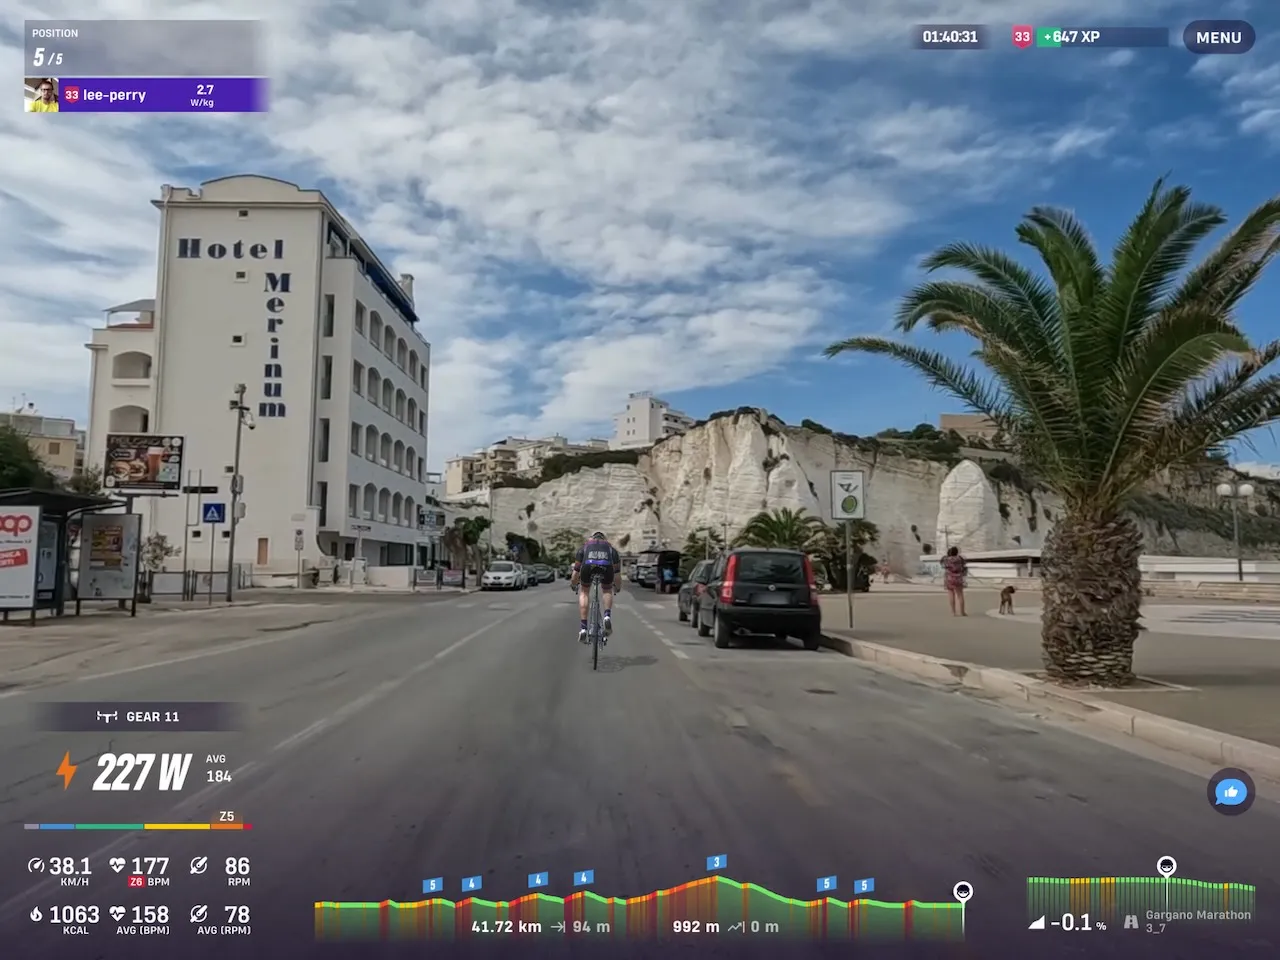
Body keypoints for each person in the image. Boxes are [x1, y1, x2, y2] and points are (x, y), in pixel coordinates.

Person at [571, 531, 620, 643]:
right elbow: (617, 576)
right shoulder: (612, 550)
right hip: (606, 567)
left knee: (584, 592)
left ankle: (583, 628)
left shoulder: (584, 548)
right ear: (605, 540)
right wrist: (617, 587)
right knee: (607, 590)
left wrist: (573, 584)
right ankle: (607, 616)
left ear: (591, 539)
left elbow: (575, 574)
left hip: (588, 567)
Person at [941, 546, 967, 616]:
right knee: (960, 595)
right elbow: (964, 567)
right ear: (957, 552)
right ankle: (962, 612)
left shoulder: (946, 559)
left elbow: (943, 565)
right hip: (958, 578)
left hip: (949, 579)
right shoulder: (960, 559)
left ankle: (953, 612)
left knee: (951, 594)